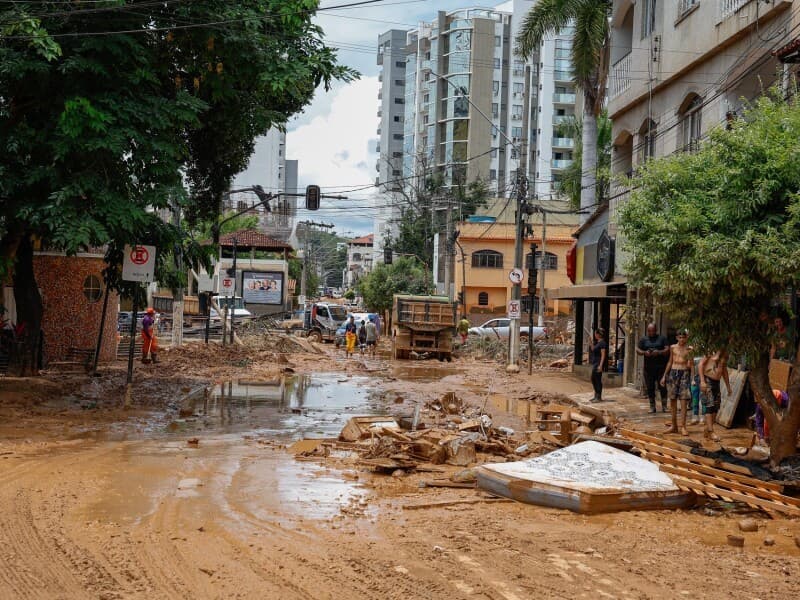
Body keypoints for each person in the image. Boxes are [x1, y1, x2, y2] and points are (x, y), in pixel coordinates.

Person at [660, 328, 693, 435]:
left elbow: (691, 365)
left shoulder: (689, 349)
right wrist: (664, 376)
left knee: (684, 401)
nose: (682, 339)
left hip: (684, 374)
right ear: (676, 338)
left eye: (684, 337)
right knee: (672, 400)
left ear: (686, 337)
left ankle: (683, 426)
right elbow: (670, 362)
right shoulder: (673, 347)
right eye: (680, 337)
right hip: (673, 373)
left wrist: (693, 379)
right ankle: (674, 426)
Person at [636, 322, 670, 413]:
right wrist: (644, 352)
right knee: (650, 387)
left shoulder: (662, 338)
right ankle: (652, 406)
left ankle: (664, 406)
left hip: (660, 368)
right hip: (648, 368)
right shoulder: (643, 339)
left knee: (662, 387)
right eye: (649, 331)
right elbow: (638, 349)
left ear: (656, 330)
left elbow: (667, 349)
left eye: (653, 331)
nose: (651, 333)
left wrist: (658, 352)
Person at [699, 349, 732, 442]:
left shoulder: (725, 353)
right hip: (707, 380)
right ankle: (711, 431)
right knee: (709, 406)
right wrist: (702, 381)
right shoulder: (710, 351)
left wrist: (728, 386)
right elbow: (701, 364)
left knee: (716, 407)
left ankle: (708, 429)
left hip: (716, 382)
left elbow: (724, 370)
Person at [589, 328, 607, 403]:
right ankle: (596, 395)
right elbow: (593, 349)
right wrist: (590, 342)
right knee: (593, 379)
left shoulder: (602, 343)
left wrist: (601, 365)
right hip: (595, 363)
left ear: (599, 334)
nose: (595, 335)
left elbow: (603, 355)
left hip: (598, 363)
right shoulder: (598, 343)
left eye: (596, 333)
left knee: (597, 379)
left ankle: (598, 396)